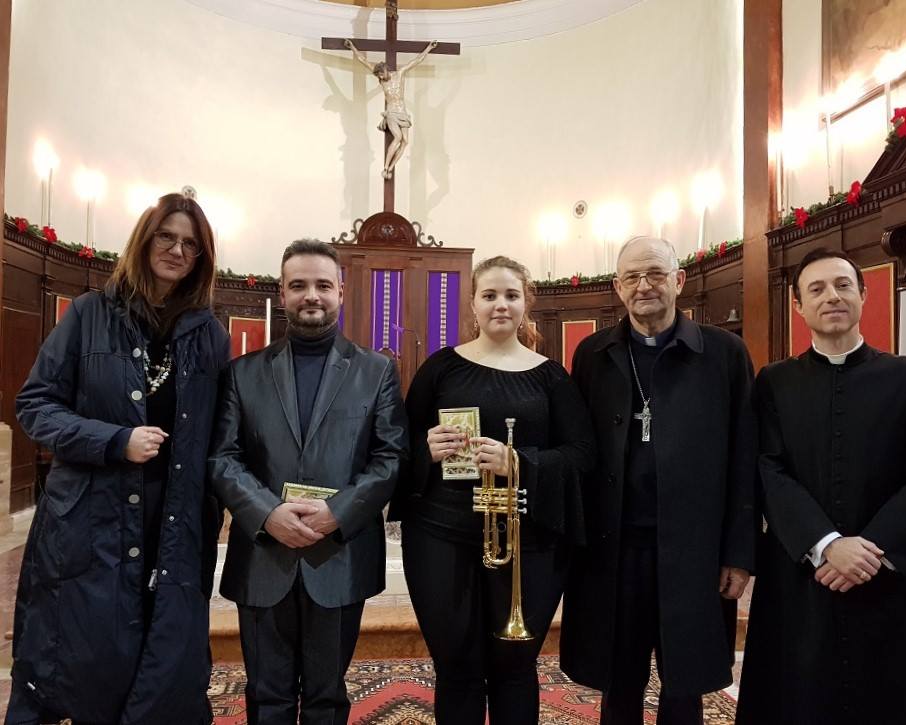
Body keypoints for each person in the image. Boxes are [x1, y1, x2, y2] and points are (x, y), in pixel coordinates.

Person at [6, 192, 229, 724]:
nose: (177, 250)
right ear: (144, 240)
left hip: (174, 519)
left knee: (166, 657)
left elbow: (225, 434)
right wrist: (113, 440)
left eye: (190, 244)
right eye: (166, 236)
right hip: (93, 517)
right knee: (89, 658)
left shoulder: (210, 336)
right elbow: (34, 406)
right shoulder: (89, 315)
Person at [736, 248, 906, 724]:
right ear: (798, 306)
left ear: (864, 294)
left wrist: (869, 551)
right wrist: (828, 545)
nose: (831, 297)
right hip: (804, 575)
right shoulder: (774, 383)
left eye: (842, 285)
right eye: (816, 289)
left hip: (888, 576)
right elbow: (768, 470)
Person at [208, 238, 408, 725]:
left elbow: (390, 457)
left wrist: (337, 513)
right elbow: (223, 458)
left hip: (337, 554)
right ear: (282, 293)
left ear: (341, 290)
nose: (311, 295)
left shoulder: (376, 371)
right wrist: (266, 514)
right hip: (264, 556)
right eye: (298, 285)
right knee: (266, 697)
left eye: (322, 284)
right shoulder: (242, 373)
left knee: (327, 698)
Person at [559, 236, 757, 725]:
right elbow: (578, 451)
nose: (644, 285)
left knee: (684, 681)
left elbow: (744, 458)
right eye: (632, 277)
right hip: (614, 546)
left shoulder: (725, 354)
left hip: (694, 549)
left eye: (655, 274)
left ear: (679, 280)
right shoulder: (593, 354)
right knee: (618, 678)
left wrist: (738, 552)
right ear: (617, 287)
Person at [391, 255, 595, 725]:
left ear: (526, 304)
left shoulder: (552, 376)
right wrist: (426, 449)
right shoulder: (441, 368)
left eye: (511, 295)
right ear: (473, 305)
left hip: (530, 542)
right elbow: (397, 446)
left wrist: (518, 462)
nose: (500, 304)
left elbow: (583, 455)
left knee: (515, 669)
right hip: (440, 538)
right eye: (489, 295)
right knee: (455, 666)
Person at [345, 38, 438, 179]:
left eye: (381, 74)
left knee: (405, 142)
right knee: (398, 137)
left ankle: (391, 167)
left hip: (403, 112)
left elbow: (417, 60)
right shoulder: (382, 80)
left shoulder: (399, 74)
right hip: (392, 113)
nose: (380, 77)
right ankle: (385, 167)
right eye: (378, 76)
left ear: (385, 70)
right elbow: (363, 60)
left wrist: (429, 48)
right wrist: (352, 47)